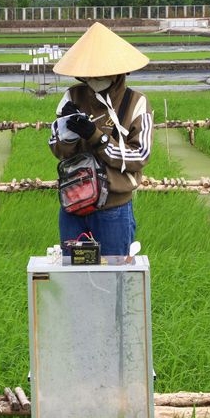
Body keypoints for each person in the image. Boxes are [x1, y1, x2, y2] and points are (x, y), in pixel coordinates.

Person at [48, 22, 153, 257]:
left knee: (114, 272)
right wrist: (68, 132)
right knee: (74, 271)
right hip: (74, 203)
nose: (95, 77)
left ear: (119, 71)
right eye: (90, 73)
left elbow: (140, 155)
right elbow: (57, 149)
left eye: (101, 72)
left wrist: (95, 136)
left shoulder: (136, 102)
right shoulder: (72, 96)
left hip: (113, 208)